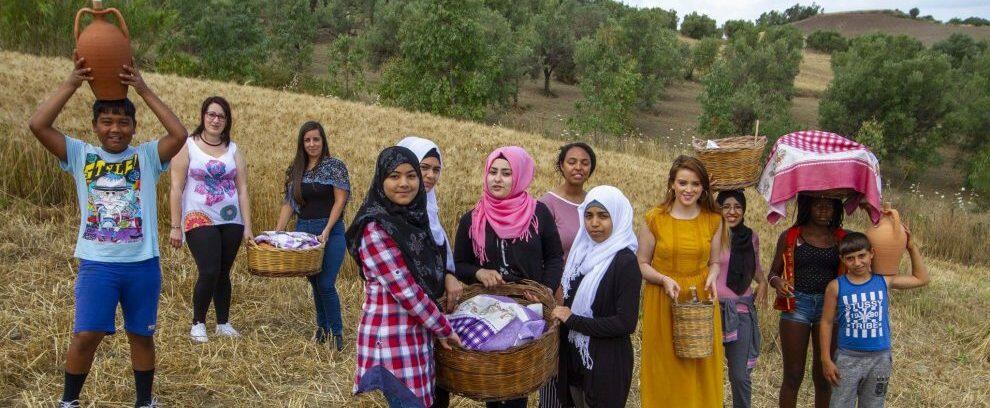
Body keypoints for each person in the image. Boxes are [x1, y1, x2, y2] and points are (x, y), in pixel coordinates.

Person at [29, 58, 187, 407]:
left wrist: (142, 88)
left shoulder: (146, 157)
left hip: (142, 264)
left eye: (123, 122)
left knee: (141, 336)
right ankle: (68, 402)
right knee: (87, 335)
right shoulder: (80, 155)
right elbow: (38, 124)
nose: (115, 128)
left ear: (133, 127)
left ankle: (144, 402)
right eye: (106, 121)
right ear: (95, 126)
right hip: (97, 264)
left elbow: (179, 134)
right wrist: (72, 82)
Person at [347, 146, 462, 408]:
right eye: (394, 176)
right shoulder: (375, 228)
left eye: (411, 176)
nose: (404, 184)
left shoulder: (414, 222)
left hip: (416, 339)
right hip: (389, 344)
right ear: (380, 180)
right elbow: (407, 291)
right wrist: (443, 327)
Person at [453, 146, 565, 408]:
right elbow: (458, 264)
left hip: (529, 307)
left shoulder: (539, 213)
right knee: (495, 382)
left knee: (517, 384)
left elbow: (554, 257)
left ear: (520, 177)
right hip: (489, 311)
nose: (497, 179)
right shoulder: (473, 218)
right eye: (493, 172)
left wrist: (544, 289)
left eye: (506, 173)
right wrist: (478, 272)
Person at [637, 155, 725, 408]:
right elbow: (642, 263)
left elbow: (715, 262)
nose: (689, 190)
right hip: (664, 298)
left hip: (700, 299)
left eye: (696, 184)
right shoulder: (655, 218)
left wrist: (712, 277)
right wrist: (663, 279)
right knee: (665, 367)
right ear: (672, 184)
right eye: (683, 183)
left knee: (700, 366)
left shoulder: (713, 220)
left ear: (703, 187)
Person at [168, 96, 253, 343]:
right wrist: (176, 226)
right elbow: (175, 187)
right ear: (203, 116)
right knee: (209, 270)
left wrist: (247, 226)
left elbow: (243, 189)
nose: (216, 120)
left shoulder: (234, 150)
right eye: (211, 115)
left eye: (221, 116)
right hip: (198, 217)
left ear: (227, 121)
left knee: (223, 272)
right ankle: (198, 323)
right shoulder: (187, 146)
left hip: (231, 219)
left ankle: (224, 323)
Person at [552, 185, 640, 408]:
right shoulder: (580, 255)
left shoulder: (625, 261)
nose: (594, 223)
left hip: (605, 366)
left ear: (618, 218)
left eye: (603, 216)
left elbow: (625, 323)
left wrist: (573, 320)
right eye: (588, 215)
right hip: (575, 361)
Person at [821, 232, 929, 408]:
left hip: (879, 360)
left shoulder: (883, 281)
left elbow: (921, 278)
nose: (857, 263)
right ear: (842, 259)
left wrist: (911, 247)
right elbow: (826, 322)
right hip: (847, 359)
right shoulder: (836, 287)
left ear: (872, 253)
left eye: (862, 256)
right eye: (850, 258)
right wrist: (826, 359)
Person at [395, 136, 464, 408]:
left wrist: (448, 275)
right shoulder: (395, 214)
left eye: (436, 169)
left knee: (436, 387)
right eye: (423, 168)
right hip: (410, 315)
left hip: (433, 309)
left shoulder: (429, 208)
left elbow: (438, 251)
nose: (430, 175)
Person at [768, 194, 849, 408]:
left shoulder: (842, 238)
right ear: (807, 207)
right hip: (797, 306)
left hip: (830, 310)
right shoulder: (792, 236)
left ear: (836, 209)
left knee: (825, 376)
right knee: (793, 375)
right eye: (817, 205)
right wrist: (778, 283)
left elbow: (865, 257)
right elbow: (773, 273)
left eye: (829, 206)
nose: (824, 210)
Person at [275, 121, 350, 350]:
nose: (312, 144)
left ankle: (337, 333)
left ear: (323, 140)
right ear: (302, 143)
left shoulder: (334, 166)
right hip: (304, 231)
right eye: (307, 140)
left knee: (326, 283)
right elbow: (290, 203)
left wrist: (327, 230)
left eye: (316, 139)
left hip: (331, 231)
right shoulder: (297, 169)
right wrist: (277, 233)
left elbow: (340, 200)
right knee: (315, 282)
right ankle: (322, 328)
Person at [538, 141, 596, 408]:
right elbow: (543, 254)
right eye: (572, 161)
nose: (578, 167)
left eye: (585, 163)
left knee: (580, 361)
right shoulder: (546, 204)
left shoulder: (595, 203)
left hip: (590, 296)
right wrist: (554, 292)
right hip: (559, 294)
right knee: (555, 362)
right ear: (561, 165)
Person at [715, 190, 767, 408]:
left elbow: (755, 268)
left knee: (740, 375)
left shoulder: (751, 236)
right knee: (709, 374)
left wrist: (763, 282)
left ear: (744, 210)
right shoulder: (712, 234)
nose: (732, 212)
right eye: (726, 206)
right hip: (713, 312)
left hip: (741, 312)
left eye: (737, 207)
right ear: (718, 209)